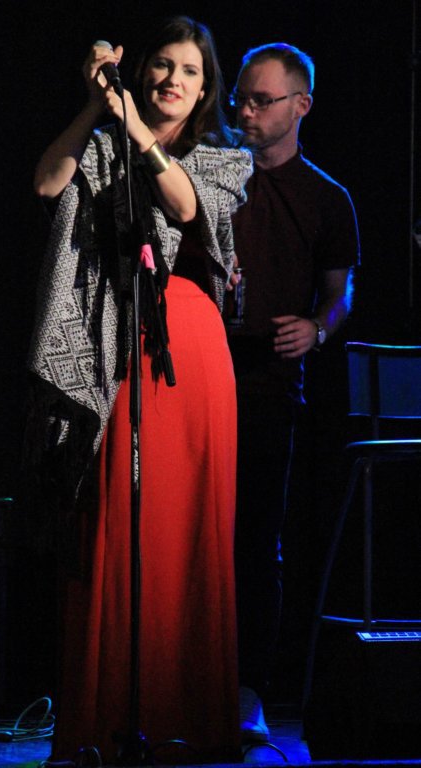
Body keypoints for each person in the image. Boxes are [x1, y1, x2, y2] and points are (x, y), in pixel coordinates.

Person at [26, 15, 253, 765]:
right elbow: (46, 182)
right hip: (114, 344)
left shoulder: (225, 158)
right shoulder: (101, 143)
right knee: (120, 518)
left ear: (206, 87)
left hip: (188, 351)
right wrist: (97, 107)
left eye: (189, 71)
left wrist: (133, 129)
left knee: (186, 529)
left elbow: (185, 208)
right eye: (161, 65)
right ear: (141, 70)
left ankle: (190, 716)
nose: (172, 81)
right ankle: (105, 718)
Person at [223, 42, 360, 742]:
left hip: (269, 389)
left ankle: (248, 690)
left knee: (254, 542)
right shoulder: (217, 176)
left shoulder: (326, 198)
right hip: (197, 378)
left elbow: (341, 292)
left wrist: (316, 328)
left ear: (300, 105)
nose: (246, 111)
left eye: (262, 100)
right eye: (240, 99)